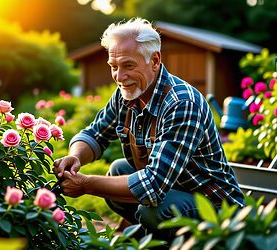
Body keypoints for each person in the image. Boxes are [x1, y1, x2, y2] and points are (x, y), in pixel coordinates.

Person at [53, 17, 244, 241]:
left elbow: (151, 186)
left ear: (154, 60)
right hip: (175, 189)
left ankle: (173, 241)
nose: (119, 77)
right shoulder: (127, 93)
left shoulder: (181, 103)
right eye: (113, 67)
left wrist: (86, 184)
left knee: (152, 208)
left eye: (128, 65)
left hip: (217, 209)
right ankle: (156, 238)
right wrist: (75, 157)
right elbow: (95, 133)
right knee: (117, 170)